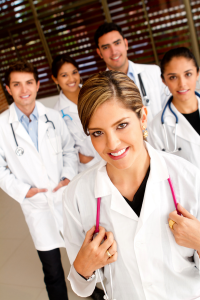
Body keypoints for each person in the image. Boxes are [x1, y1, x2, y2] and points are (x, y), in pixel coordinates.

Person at [62, 71, 200, 300]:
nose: (113, 144)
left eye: (122, 125)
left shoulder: (188, 178)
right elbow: (81, 287)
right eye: (97, 133)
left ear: (143, 117)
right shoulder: (77, 195)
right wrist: (83, 267)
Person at [0, 61, 78, 300]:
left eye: (29, 83)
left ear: (38, 85)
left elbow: (69, 150)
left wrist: (67, 177)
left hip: (64, 197)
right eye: (17, 84)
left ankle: (95, 291)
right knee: (52, 269)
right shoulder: (2, 126)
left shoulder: (53, 117)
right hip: (36, 207)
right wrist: (25, 191)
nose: (24, 90)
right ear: (8, 88)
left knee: (82, 256)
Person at [94, 22, 168, 123]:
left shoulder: (154, 72)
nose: (113, 51)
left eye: (117, 43)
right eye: (106, 47)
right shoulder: (99, 89)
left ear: (126, 44)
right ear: (100, 53)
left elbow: (169, 109)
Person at [148, 47, 200, 168]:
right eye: (173, 77)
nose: (182, 83)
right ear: (163, 80)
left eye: (188, 74)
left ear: (197, 73)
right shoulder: (156, 128)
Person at [52, 54, 101, 173]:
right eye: (64, 75)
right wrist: (83, 159)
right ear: (55, 79)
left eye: (74, 72)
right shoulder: (56, 114)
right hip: (89, 166)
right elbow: (63, 147)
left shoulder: (95, 94)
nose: (71, 79)